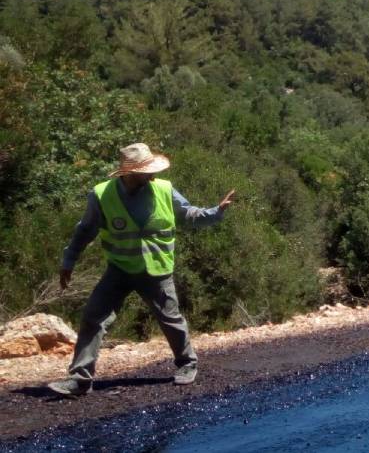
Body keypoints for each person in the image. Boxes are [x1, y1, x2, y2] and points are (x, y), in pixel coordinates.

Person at [47, 143, 235, 397]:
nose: (153, 175)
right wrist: (68, 260)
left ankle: (187, 363)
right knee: (93, 317)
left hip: (156, 269)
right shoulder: (101, 194)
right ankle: (80, 380)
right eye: (147, 171)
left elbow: (187, 213)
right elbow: (85, 230)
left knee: (170, 319)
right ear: (130, 172)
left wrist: (216, 212)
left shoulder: (164, 189)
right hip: (119, 268)